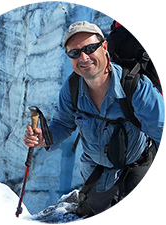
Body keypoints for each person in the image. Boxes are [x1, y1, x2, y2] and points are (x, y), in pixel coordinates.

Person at [24, 21, 166, 216]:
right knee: (89, 212)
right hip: (98, 171)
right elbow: (64, 124)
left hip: (137, 166)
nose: (84, 57)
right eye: (74, 53)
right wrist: (44, 138)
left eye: (90, 48)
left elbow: (162, 130)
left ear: (105, 47)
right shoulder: (72, 88)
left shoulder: (135, 87)